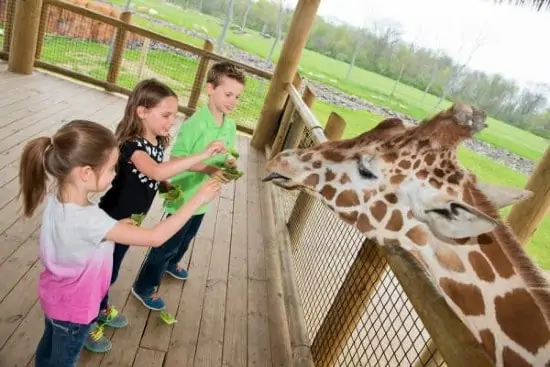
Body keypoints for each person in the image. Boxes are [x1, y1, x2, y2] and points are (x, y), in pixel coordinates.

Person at [19, 120, 222, 367]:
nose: (116, 174)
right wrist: (197, 199)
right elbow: (155, 237)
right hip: (76, 309)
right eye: (111, 169)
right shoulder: (92, 221)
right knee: (63, 360)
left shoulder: (58, 202)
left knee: (49, 347)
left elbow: (81, 238)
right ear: (86, 173)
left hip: (55, 298)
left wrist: (117, 227)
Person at [90, 79, 226, 352]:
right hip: (112, 222)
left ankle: (101, 307)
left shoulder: (155, 142)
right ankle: (87, 321)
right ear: (141, 111)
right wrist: (204, 154)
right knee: (102, 273)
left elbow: (158, 173)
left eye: (174, 116)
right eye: (165, 115)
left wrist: (172, 186)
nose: (171, 122)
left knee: (112, 270)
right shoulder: (132, 146)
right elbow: (155, 171)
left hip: (132, 221)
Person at [131, 61, 246, 310]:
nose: (233, 101)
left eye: (237, 96)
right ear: (210, 89)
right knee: (167, 242)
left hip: (204, 197)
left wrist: (229, 163)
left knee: (188, 236)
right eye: (228, 94)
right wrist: (209, 168)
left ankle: (172, 264)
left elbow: (229, 153)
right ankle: (144, 286)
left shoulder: (229, 124)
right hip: (184, 195)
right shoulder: (196, 124)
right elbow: (177, 160)